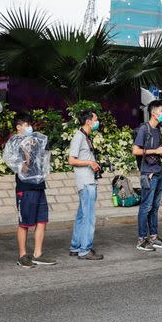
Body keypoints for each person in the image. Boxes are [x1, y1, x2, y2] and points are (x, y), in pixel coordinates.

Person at [10, 112, 56, 268]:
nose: (29, 127)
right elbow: (22, 168)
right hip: (25, 187)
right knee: (24, 223)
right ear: (18, 127)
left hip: (39, 185)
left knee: (41, 221)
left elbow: (43, 160)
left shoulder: (36, 141)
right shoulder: (14, 143)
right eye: (26, 124)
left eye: (30, 124)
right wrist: (26, 155)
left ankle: (38, 254)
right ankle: (23, 256)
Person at [132, 101, 162, 252]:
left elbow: (157, 150)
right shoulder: (144, 129)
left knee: (154, 207)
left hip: (158, 172)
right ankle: (141, 239)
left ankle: (153, 237)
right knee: (146, 207)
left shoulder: (158, 130)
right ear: (154, 113)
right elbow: (135, 150)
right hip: (148, 173)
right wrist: (155, 151)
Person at [67, 110, 103, 260]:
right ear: (88, 121)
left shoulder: (85, 137)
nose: (97, 122)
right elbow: (71, 160)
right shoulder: (78, 137)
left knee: (82, 215)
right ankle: (85, 250)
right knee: (88, 217)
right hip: (86, 182)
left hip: (88, 181)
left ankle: (75, 247)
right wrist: (90, 162)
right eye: (95, 119)